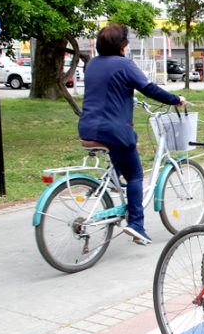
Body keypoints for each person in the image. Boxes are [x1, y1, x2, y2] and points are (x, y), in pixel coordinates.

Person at [78, 23, 190, 245]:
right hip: (114, 130)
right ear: (122, 46)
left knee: (124, 156)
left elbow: (107, 89)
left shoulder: (92, 65)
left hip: (88, 128)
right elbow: (149, 88)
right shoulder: (124, 65)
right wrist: (175, 99)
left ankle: (113, 185)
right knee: (136, 175)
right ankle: (137, 223)